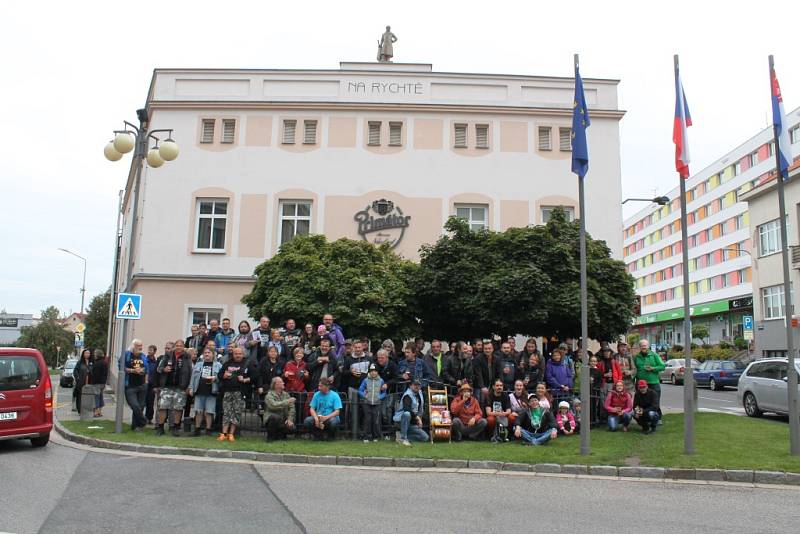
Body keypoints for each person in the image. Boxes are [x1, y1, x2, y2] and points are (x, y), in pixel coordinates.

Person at [217, 347, 256, 442]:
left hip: (240, 392)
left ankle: (231, 434)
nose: (238, 355)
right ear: (233, 354)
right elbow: (219, 375)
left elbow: (255, 377)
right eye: (236, 353)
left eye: (239, 353)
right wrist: (223, 376)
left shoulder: (248, 363)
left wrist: (245, 380)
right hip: (227, 391)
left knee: (236, 413)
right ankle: (224, 433)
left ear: (243, 354)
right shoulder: (227, 363)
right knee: (226, 412)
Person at [155, 339, 193, 437]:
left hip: (181, 387)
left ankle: (176, 427)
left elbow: (190, 371)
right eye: (177, 345)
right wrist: (164, 369)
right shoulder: (167, 355)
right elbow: (158, 368)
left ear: (184, 347)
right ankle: (160, 427)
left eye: (181, 346)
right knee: (162, 407)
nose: (179, 347)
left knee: (178, 408)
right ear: (174, 346)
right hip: (167, 386)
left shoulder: (187, 356)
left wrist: (188, 386)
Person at [188, 346, 221, 436]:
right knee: (198, 411)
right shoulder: (198, 365)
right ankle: (197, 429)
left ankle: (208, 429)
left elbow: (221, 378)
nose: (206, 354)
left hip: (212, 391)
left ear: (213, 354)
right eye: (205, 353)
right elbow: (193, 377)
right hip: (199, 390)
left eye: (209, 353)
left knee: (209, 412)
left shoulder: (218, 365)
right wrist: (191, 388)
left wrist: (215, 378)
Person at [634, 340, 665, 422]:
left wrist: (653, 368)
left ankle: (657, 419)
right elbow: (634, 370)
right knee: (640, 403)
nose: (644, 347)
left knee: (655, 402)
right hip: (641, 384)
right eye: (642, 345)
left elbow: (662, 366)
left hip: (653, 383)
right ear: (639, 347)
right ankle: (642, 419)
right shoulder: (636, 357)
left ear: (648, 346)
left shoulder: (654, 355)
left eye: (645, 345)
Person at [393, 379, 428, 446]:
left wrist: (419, 418)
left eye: (418, 385)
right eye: (415, 385)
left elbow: (420, 409)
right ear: (410, 386)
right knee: (407, 414)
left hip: (412, 423)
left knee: (425, 437)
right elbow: (407, 409)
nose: (417, 387)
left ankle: (400, 436)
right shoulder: (407, 395)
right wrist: (417, 418)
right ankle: (404, 439)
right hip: (401, 421)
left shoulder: (420, 393)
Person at [123, 339, 148, 431]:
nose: (140, 347)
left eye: (141, 345)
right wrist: (132, 370)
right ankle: (144, 421)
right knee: (134, 405)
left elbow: (146, 368)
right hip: (130, 385)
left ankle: (136, 426)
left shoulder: (143, 356)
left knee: (140, 406)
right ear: (133, 346)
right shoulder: (127, 355)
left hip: (142, 384)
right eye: (138, 345)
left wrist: (145, 378)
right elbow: (121, 367)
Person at [358, 363, 386, 442]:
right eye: (372, 371)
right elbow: (360, 390)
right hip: (367, 403)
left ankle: (375, 436)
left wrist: (380, 397)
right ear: (369, 372)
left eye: (375, 371)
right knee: (368, 420)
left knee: (376, 420)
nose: (373, 373)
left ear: (377, 372)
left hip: (377, 403)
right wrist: (365, 396)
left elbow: (384, 392)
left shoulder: (381, 381)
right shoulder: (365, 380)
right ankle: (367, 436)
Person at [264, 376, 295, 441]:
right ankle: (270, 438)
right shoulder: (269, 395)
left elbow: (292, 408)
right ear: (275, 385)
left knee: (293, 428)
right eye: (281, 382)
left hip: (284, 419)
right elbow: (273, 405)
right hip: (272, 420)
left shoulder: (286, 395)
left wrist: (290, 419)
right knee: (274, 417)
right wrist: (287, 401)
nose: (283, 383)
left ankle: (281, 436)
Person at [73, 349, 93, 414]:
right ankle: (79, 410)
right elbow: (75, 371)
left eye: (88, 353)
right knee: (79, 396)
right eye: (86, 353)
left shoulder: (91, 362)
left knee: (88, 396)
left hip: (89, 382)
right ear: (83, 354)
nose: (87, 354)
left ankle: (87, 410)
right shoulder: (80, 362)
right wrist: (78, 378)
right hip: (81, 382)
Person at [90, 348, 108, 418]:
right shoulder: (104, 362)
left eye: (95, 354)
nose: (94, 355)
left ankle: (96, 413)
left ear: (97, 355)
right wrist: (104, 382)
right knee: (100, 397)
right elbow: (105, 374)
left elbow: (95, 375)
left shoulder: (97, 363)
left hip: (97, 383)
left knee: (96, 397)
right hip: (102, 383)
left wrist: (92, 382)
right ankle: (100, 412)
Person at [144, 344, 158, 425]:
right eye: (149, 350)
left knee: (150, 403)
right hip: (145, 383)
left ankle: (149, 418)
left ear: (155, 351)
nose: (149, 352)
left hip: (152, 385)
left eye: (151, 350)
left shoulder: (156, 362)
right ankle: (141, 418)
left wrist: (155, 385)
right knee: (143, 402)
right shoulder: (145, 360)